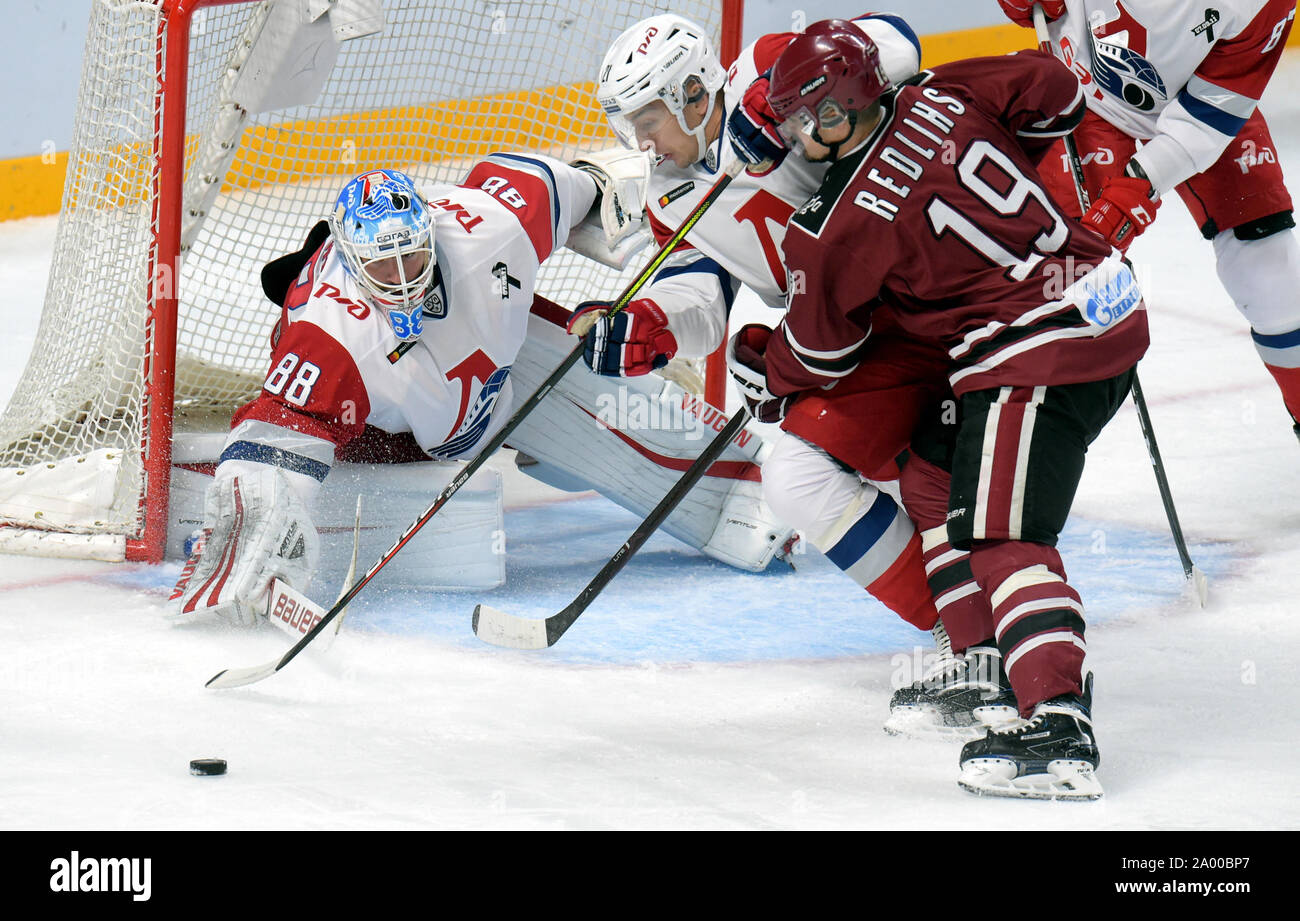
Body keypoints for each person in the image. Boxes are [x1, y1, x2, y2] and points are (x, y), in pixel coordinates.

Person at [735, 20, 1152, 798]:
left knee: (1004, 533)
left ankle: (1060, 725)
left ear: (835, 109)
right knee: (933, 471)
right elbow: (1056, 92)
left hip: (1034, 351)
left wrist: (770, 362)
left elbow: (823, 354)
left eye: (801, 120)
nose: (794, 139)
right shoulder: (943, 91)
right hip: (1102, 302)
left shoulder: (832, 226)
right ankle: (984, 662)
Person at [170, 152, 792, 624]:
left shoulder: (491, 227)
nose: (402, 279)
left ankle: (756, 490)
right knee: (306, 464)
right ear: (352, 263)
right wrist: (257, 528)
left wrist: (602, 193)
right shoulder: (331, 339)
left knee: (607, 379)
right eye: (381, 266)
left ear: (429, 232)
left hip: (490, 366)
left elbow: (567, 181)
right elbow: (273, 444)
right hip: (393, 422)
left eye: (411, 257)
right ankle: (194, 500)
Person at [582, 11, 953, 634]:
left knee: (942, 479)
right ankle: (954, 628)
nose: (641, 144)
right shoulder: (665, 197)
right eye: (631, 127)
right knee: (801, 480)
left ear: (693, 94)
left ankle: (997, 626)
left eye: (648, 121)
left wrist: (777, 95)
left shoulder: (763, 65)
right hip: (857, 340)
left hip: (946, 278)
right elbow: (700, 300)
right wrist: (649, 323)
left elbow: (898, 42)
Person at [999, 0, 1300, 442]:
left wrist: (1142, 182)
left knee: (1272, 274)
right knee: (1053, 280)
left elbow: (1211, 112)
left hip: (1196, 99)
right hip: (1082, 92)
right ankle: (1006, 449)